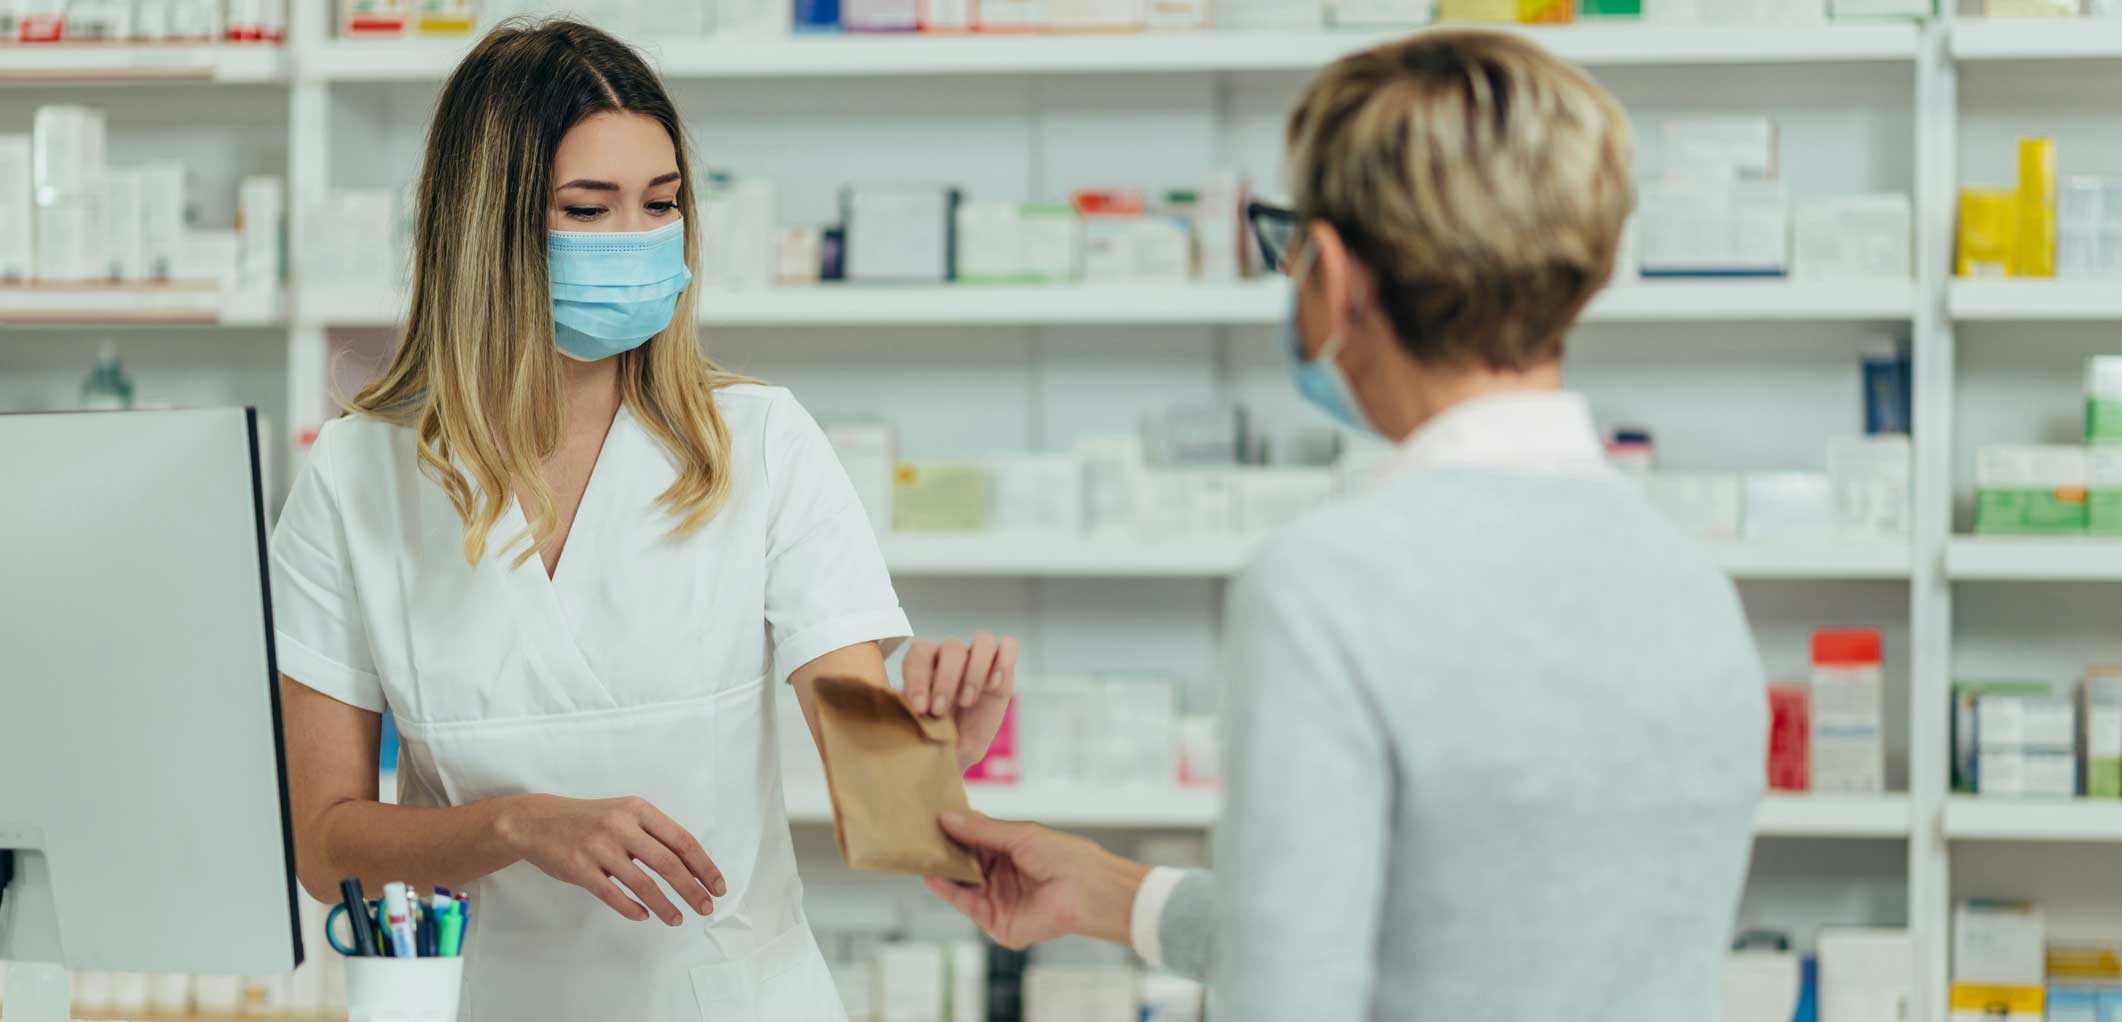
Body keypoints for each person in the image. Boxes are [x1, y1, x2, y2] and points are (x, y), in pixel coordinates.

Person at [924, 30, 1768, 1021]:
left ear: (1330, 266)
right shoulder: (1689, 584)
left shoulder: (1330, 581)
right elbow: (1488, 940)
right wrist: (1118, 893)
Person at [269, 20, 1014, 1022]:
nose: (637, 240)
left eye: (660, 205)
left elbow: (879, 788)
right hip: (491, 1001)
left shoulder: (758, 443)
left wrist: (931, 747)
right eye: (589, 208)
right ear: (486, 228)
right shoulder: (360, 477)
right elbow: (324, 845)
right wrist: (513, 825)